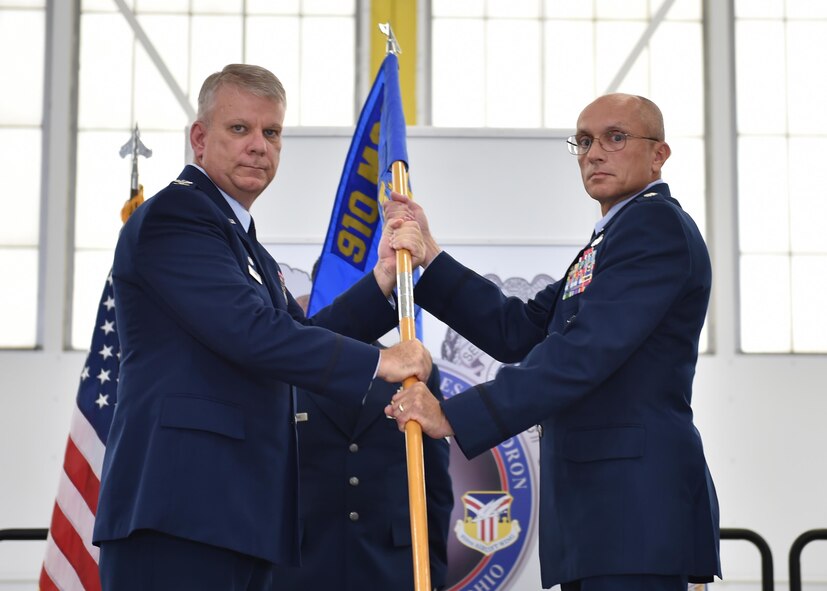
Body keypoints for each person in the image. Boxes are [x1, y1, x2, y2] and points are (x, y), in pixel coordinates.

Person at [92, 64, 431, 591]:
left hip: (235, 515)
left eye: (271, 132)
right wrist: (382, 361)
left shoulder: (239, 236)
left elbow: (302, 331)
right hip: (179, 510)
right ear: (199, 139)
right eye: (239, 129)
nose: (259, 146)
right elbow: (251, 332)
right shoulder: (177, 217)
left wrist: (384, 280)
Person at [384, 93, 721, 591]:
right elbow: (518, 329)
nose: (594, 153)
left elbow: (584, 352)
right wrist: (430, 257)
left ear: (659, 154)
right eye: (584, 141)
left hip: (632, 509)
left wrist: (454, 414)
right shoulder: (612, 236)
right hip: (601, 513)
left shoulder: (654, 226)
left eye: (615, 137)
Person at [274, 269, 453, 590]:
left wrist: (435, 569)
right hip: (303, 566)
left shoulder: (412, 377)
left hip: (392, 568)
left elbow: (435, 485)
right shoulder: (288, 370)